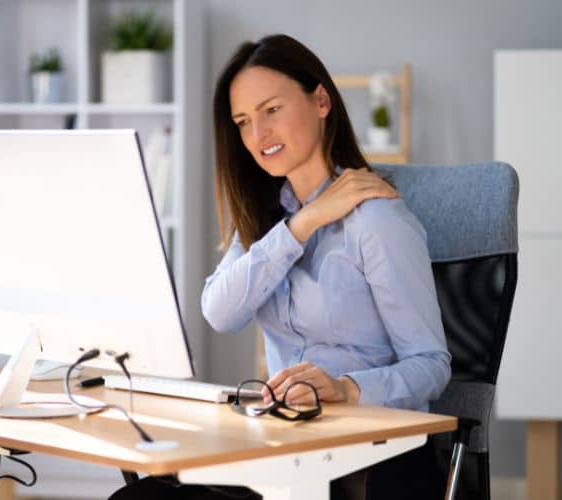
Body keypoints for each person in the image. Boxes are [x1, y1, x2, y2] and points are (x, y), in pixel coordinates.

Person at [111, 33, 450, 500]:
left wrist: (345, 388)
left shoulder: (378, 219)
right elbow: (219, 311)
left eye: (272, 110)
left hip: (371, 461)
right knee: (142, 496)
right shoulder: (267, 219)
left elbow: (431, 366)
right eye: (243, 122)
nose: (257, 136)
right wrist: (303, 224)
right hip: (285, 451)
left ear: (321, 101)